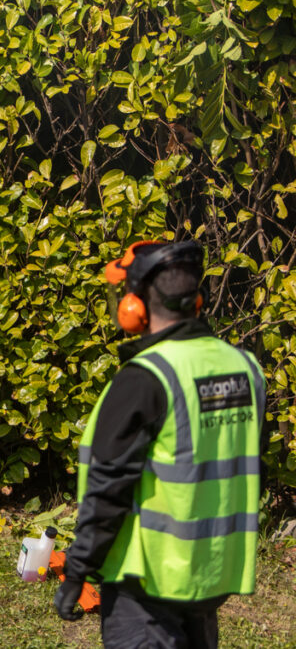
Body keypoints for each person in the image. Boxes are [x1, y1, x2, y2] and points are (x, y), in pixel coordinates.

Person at [54, 240, 266, 648]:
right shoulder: (245, 367)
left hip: (147, 586)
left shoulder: (146, 378)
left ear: (134, 306)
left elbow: (109, 486)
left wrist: (78, 571)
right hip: (209, 578)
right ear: (196, 299)